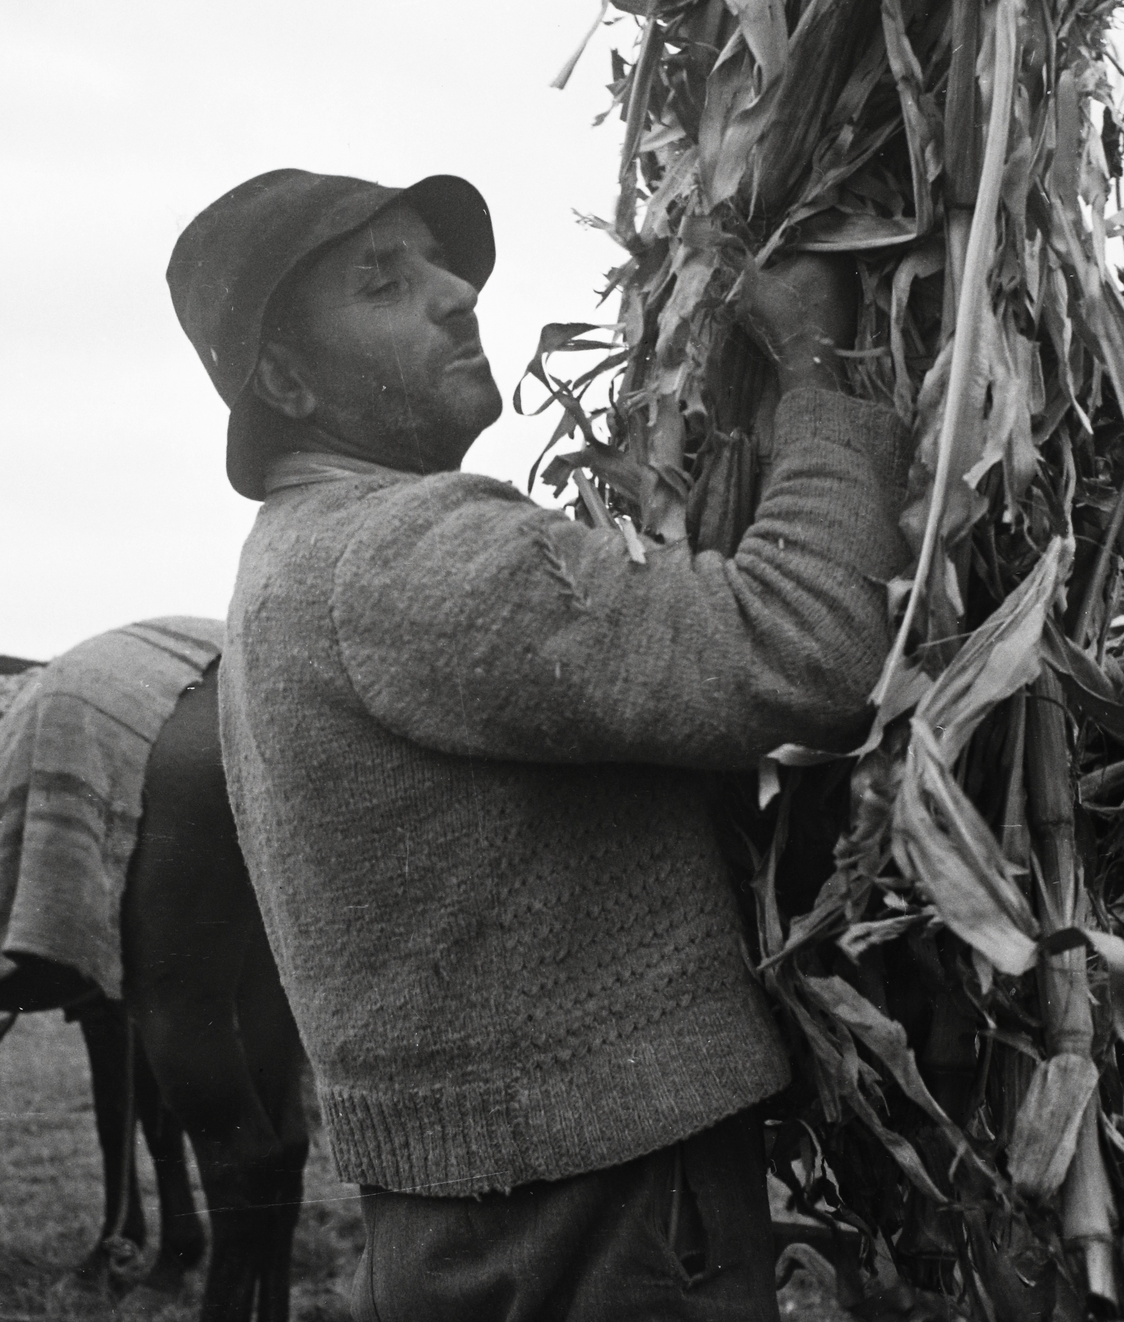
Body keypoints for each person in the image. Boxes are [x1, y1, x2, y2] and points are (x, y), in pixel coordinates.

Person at [166, 168, 909, 1322]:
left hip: (476, 1206)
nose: (458, 291)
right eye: (384, 281)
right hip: (601, 1215)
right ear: (283, 379)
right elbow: (806, 643)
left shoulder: (290, 559)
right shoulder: (407, 552)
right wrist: (817, 370)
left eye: (437, 261)